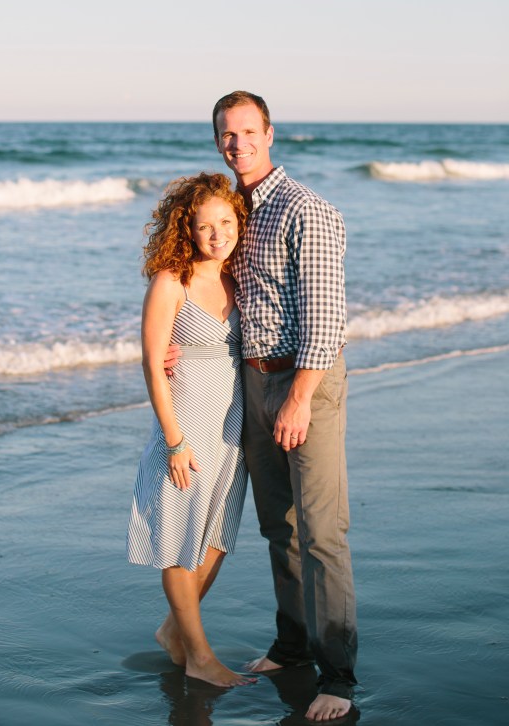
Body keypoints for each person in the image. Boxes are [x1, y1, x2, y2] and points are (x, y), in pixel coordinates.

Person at [168, 92, 358, 722]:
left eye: (249, 131)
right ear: (217, 140)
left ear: (270, 134)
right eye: (228, 133)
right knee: (278, 525)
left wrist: (299, 398)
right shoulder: (234, 210)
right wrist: (173, 342)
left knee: (322, 532)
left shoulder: (307, 209)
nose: (238, 143)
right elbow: (204, 285)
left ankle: (338, 677)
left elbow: (326, 320)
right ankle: (292, 646)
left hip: (306, 382)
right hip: (251, 379)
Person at [127, 172, 254, 688]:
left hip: (232, 428)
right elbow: (152, 363)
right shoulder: (170, 281)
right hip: (188, 429)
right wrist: (174, 441)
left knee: (217, 538)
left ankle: (173, 631)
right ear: (187, 228)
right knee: (182, 540)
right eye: (205, 226)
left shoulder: (238, 277)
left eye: (226, 222)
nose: (217, 234)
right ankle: (200, 657)